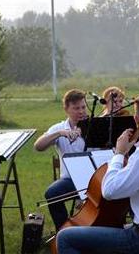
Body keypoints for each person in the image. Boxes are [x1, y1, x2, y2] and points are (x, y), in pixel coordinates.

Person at [57, 93, 139, 253]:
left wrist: (118, 154)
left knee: (65, 238)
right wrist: (127, 162)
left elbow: (109, 191)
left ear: (137, 119)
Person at [34, 89, 88, 231]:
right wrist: (59, 134)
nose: (81, 111)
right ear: (66, 109)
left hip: (96, 178)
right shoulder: (59, 128)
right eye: (76, 108)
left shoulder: (95, 124)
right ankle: (64, 231)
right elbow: (38, 146)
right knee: (52, 193)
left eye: (83, 107)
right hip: (70, 179)